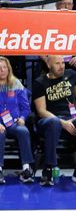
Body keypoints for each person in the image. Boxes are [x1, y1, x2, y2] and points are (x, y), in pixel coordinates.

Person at [32, 55, 76, 187]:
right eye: (57, 64)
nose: (61, 66)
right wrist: (60, 122)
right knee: (53, 122)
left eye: (62, 63)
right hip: (48, 120)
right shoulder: (40, 82)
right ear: (49, 65)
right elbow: (41, 111)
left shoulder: (70, 74)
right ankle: (49, 170)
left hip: (71, 118)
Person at [0, 56, 33, 184]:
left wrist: (23, 118)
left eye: (4, 68)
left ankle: (26, 169)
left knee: (23, 131)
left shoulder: (16, 83)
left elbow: (25, 107)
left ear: (9, 69)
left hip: (14, 121)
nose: (2, 70)